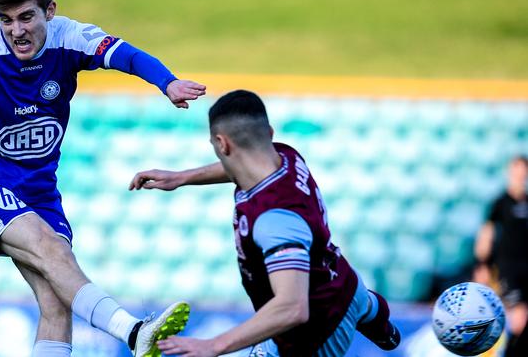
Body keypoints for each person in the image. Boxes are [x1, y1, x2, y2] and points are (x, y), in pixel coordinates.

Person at [0, 0, 206, 356]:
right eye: (6, 19)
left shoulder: (72, 38)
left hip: (40, 190)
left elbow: (124, 55)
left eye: (25, 17)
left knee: (57, 299)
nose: (16, 30)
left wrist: (167, 82)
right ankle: (134, 332)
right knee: (53, 252)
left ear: (50, 11)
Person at [129, 90, 401, 356]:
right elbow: (239, 163)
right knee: (359, 299)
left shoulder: (275, 220)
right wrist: (182, 177)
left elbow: (292, 308)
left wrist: (213, 345)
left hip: (315, 332)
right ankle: (379, 323)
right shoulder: (285, 156)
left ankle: (371, 319)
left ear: (222, 144)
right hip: (343, 278)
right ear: (269, 134)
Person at [475, 155, 528, 357]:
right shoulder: (500, 203)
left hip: (526, 267)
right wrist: (482, 264)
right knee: (519, 319)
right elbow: (486, 234)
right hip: (508, 268)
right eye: (516, 171)